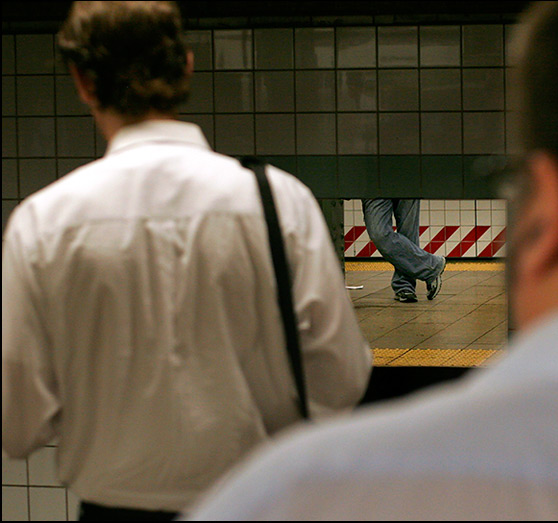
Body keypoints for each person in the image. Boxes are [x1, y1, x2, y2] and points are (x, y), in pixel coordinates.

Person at [181, 1, 558, 520]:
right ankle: (422, 273)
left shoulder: (305, 493)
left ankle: (421, 275)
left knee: (392, 238)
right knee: (393, 238)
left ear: (548, 217)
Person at [1, 2, 372, 521]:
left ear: (83, 81)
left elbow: (19, 424)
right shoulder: (278, 202)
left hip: (113, 509)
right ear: (187, 68)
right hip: (253, 503)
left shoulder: (41, 224)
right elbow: (343, 377)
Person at [362, 198, 446, 302]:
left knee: (408, 233)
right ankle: (431, 266)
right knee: (379, 234)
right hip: (373, 185)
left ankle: (405, 285)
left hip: (407, 182)